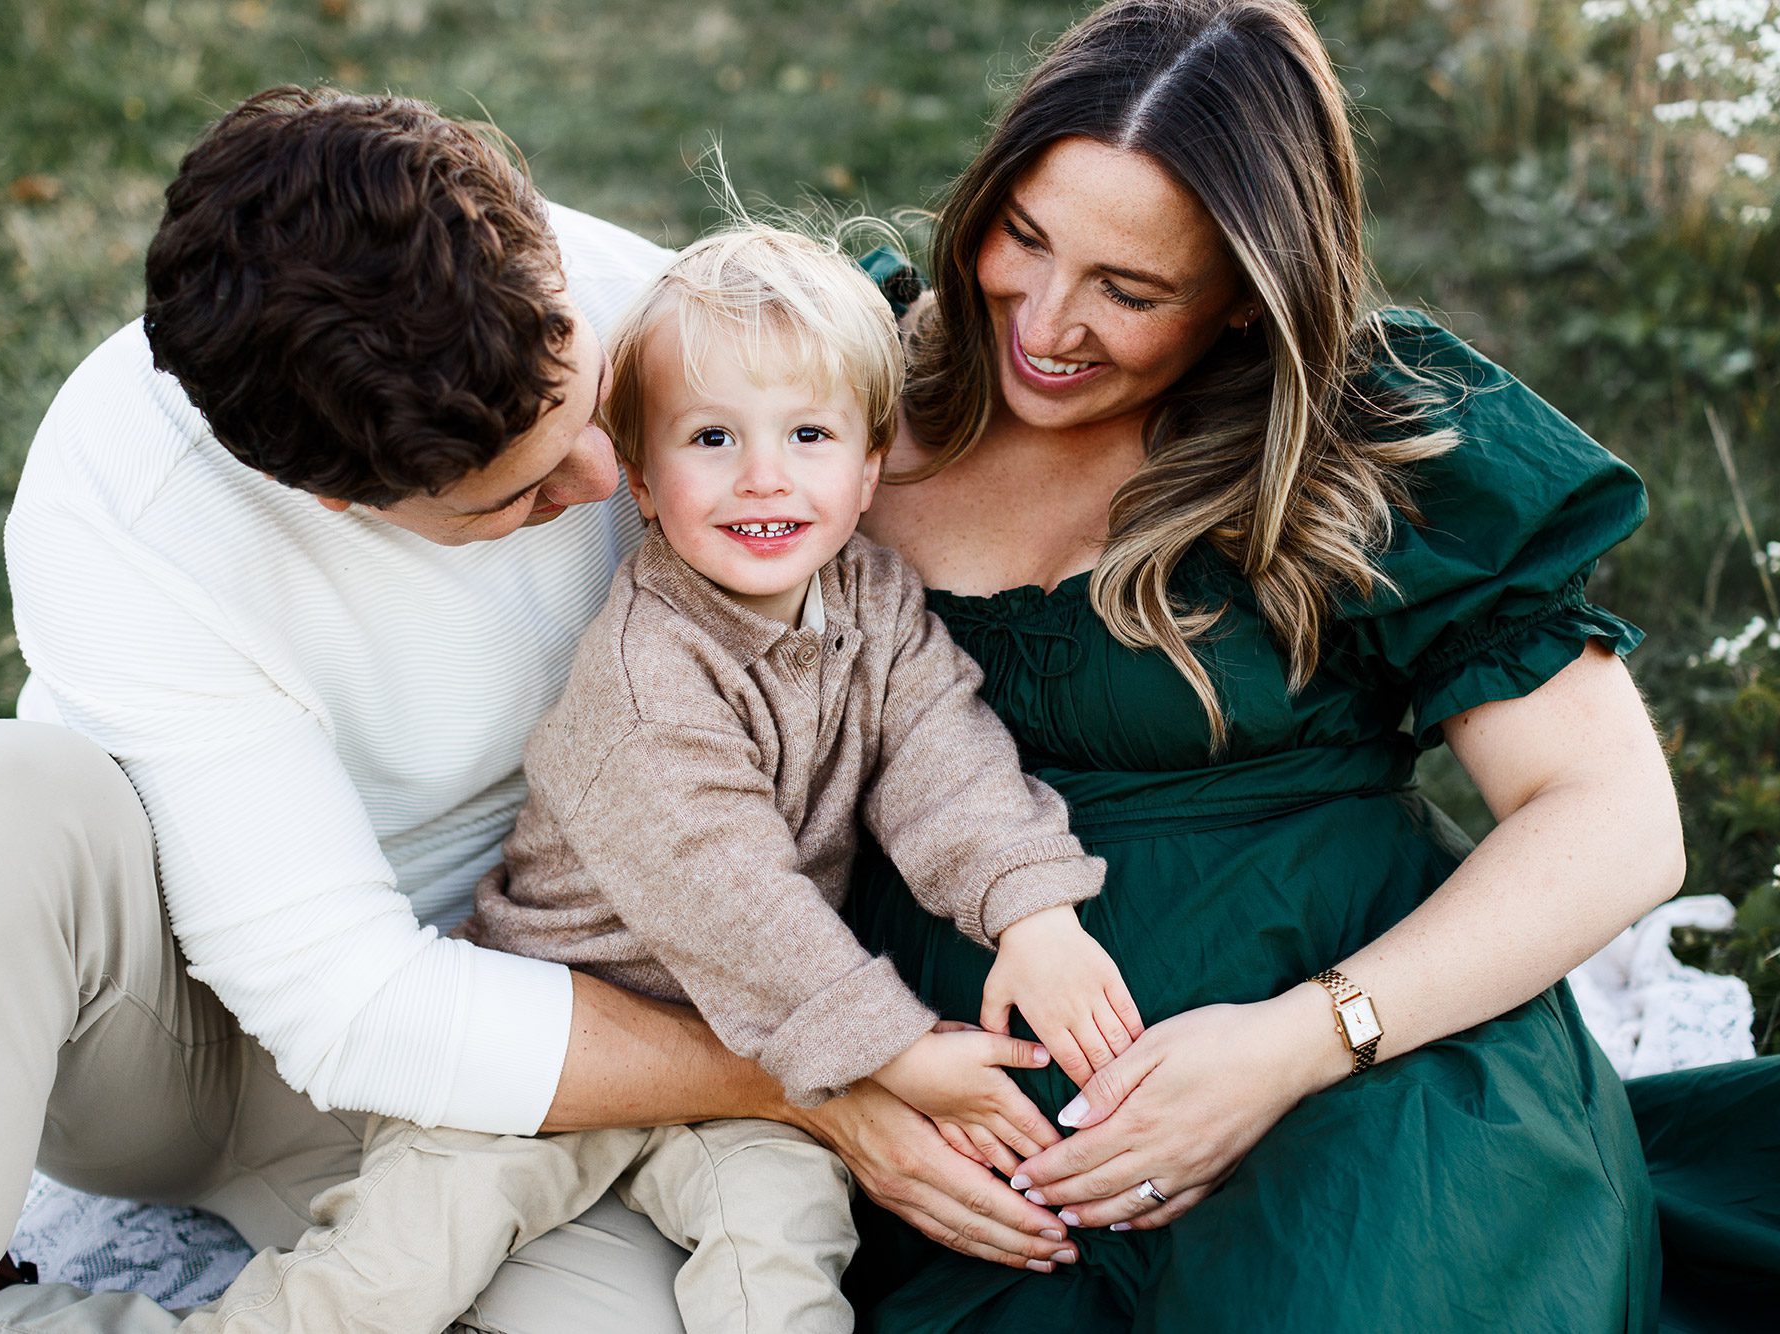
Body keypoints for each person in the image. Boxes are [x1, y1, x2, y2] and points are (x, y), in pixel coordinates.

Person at [0, 89, 1081, 1334]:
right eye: (523, 496)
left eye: (588, 406)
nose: (607, 482)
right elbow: (353, 1009)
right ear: (335, 498)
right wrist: (817, 1070)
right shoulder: (125, 502)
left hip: (553, 1053)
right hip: (179, 1040)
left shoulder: (643, 319)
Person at [839, 0, 1780, 1329]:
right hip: (986, 1156)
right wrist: (832, 1085)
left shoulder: (1357, 441)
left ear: (1246, 305)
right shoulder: (820, 394)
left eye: (1131, 291)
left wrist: (1295, 1046)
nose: (1045, 317)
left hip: (1372, 1096)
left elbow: (1615, 823)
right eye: (1021, 236)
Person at [172, 222, 1143, 1334]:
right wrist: (900, 1050)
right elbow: (726, 892)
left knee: (784, 1258)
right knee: (389, 1277)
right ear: (637, 474)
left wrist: (1029, 911)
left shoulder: (873, 601)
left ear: (872, 462)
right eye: (713, 437)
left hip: (748, 1057)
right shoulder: (647, 667)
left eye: (809, 433)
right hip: (559, 1051)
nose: (762, 475)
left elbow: (939, 748)